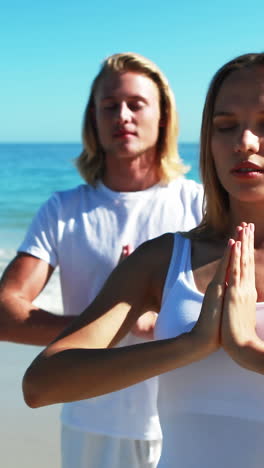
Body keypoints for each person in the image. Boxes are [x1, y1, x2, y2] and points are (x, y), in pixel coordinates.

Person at [22, 51, 264, 468]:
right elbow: (41, 384)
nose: (244, 141)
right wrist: (190, 345)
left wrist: (246, 348)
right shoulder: (166, 257)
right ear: (208, 141)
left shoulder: (180, 201)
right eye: (226, 126)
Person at [0, 52, 204, 468]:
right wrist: (113, 321)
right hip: (90, 419)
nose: (122, 115)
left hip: (183, 420)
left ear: (163, 116)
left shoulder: (198, 204)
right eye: (109, 106)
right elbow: (6, 312)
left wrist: (162, 322)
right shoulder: (63, 209)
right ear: (92, 119)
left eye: (136, 104)